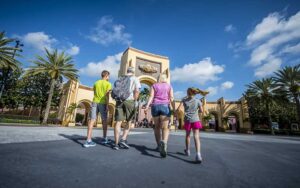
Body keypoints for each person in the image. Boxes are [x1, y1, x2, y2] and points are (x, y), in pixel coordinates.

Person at [144, 74, 174, 158]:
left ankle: (158, 145)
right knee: (165, 128)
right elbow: (171, 98)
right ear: (165, 79)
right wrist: (174, 108)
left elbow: (151, 96)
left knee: (157, 127)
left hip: (155, 106)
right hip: (165, 106)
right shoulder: (169, 86)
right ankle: (164, 142)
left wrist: (147, 106)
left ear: (158, 79)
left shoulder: (154, 85)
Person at [175, 87, 207, 163]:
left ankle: (188, 150)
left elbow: (178, 110)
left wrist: (181, 102)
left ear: (188, 93)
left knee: (188, 136)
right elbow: (201, 111)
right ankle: (198, 154)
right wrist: (197, 110)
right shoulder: (198, 101)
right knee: (196, 136)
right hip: (196, 120)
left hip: (188, 120)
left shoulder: (184, 100)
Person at [113, 67, 141, 150]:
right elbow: (137, 90)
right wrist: (136, 101)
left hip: (119, 101)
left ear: (127, 71)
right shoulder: (135, 78)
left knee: (118, 122)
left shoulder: (120, 78)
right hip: (130, 101)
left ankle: (116, 144)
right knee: (129, 121)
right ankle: (123, 139)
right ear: (133, 72)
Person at [83, 70, 112, 147]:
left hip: (94, 102)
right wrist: (107, 105)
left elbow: (95, 93)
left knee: (91, 120)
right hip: (103, 103)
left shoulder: (96, 83)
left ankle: (88, 140)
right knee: (104, 121)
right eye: (108, 76)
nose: (109, 78)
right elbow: (107, 95)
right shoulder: (108, 84)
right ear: (106, 76)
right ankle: (105, 138)